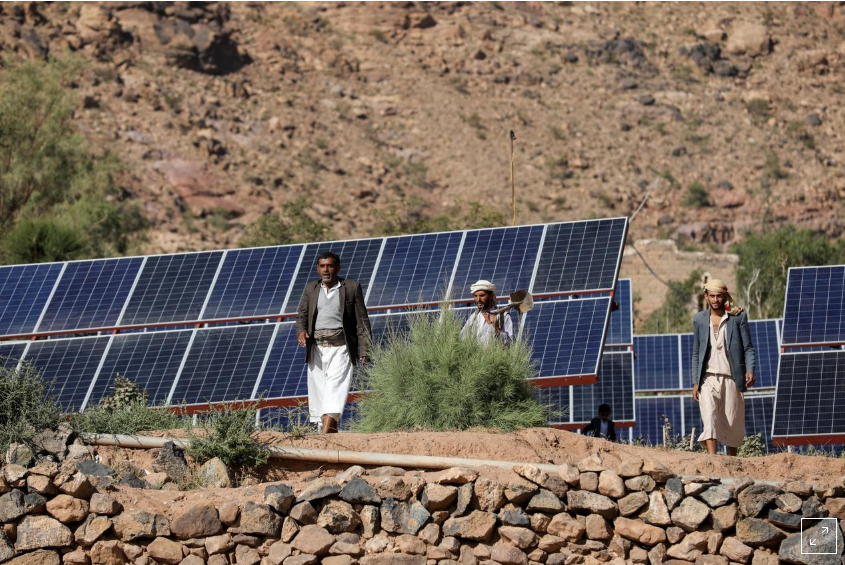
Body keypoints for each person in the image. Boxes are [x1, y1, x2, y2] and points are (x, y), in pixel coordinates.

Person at [296, 251, 372, 433]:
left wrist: (365, 349)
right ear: (317, 269)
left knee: (335, 390)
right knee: (321, 394)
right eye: (322, 266)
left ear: (337, 267)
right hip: (317, 349)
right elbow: (302, 316)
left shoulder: (351, 288)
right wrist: (301, 332)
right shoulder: (311, 289)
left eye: (330, 265)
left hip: (341, 348)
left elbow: (362, 321)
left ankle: (323, 436)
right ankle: (330, 432)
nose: (326, 270)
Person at [691, 278, 755, 456]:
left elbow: (748, 348)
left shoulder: (737, 317)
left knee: (731, 422)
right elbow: (696, 352)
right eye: (712, 296)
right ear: (706, 296)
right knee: (709, 416)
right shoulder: (700, 320)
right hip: (708, 378)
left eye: (719, 296)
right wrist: (696, 381)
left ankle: (731, 462)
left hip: (732, 378)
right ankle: (712, 459)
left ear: (724, 296)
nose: (715, 299)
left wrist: (750, 370)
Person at [460, 280, 514, 344]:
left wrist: (497, 328)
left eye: (482, 296)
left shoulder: (504, 317)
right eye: (475, 296)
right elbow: (461, 341)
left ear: (491, 295)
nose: (478, 299)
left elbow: (510, 344)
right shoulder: (473, 318)